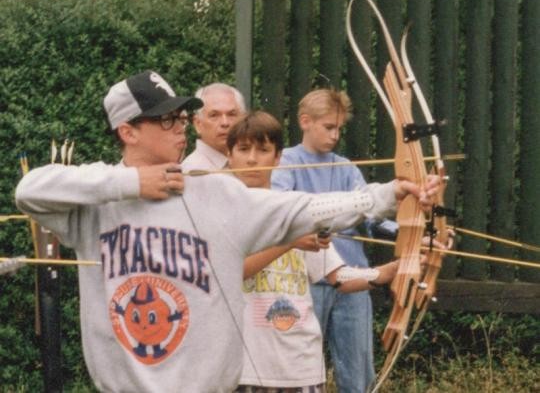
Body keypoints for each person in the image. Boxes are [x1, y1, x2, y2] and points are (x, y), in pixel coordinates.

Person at [15, 70, 438, 392]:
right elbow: (29, 190)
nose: (182, 125)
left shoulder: (214, 192)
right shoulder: (95, 202)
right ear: (128, 131)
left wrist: (387, 194)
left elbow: (303, 209)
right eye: (166, 120)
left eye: (182, 116)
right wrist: (133, 184)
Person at [227, 111, 399, 392]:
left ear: (278, 157)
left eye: (263, 150)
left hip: (301, 365)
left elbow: (338, 277)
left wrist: (388, 272)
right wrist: (289, 242)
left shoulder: (295, 209)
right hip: (247, 368)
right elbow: (231, 271)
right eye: (243, 149)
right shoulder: (225, 211)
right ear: (230, 156)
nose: (251, 159)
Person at [271, 89, 391, 392]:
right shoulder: (286, 162)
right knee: (301, 368)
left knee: (357, 370)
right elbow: (285, 210)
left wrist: (406, 227)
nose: (335, 135)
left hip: (353, 278)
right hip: (308, 279)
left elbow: (371, 209)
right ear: (305, 121)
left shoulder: (345, 166)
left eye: (339, 128)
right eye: (329, 127)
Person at [181, 82, 246, 171]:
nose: (225, 123)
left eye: (232, 114)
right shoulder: (193, 171)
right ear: (198, 124)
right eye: (214, 115)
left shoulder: (252, 164)